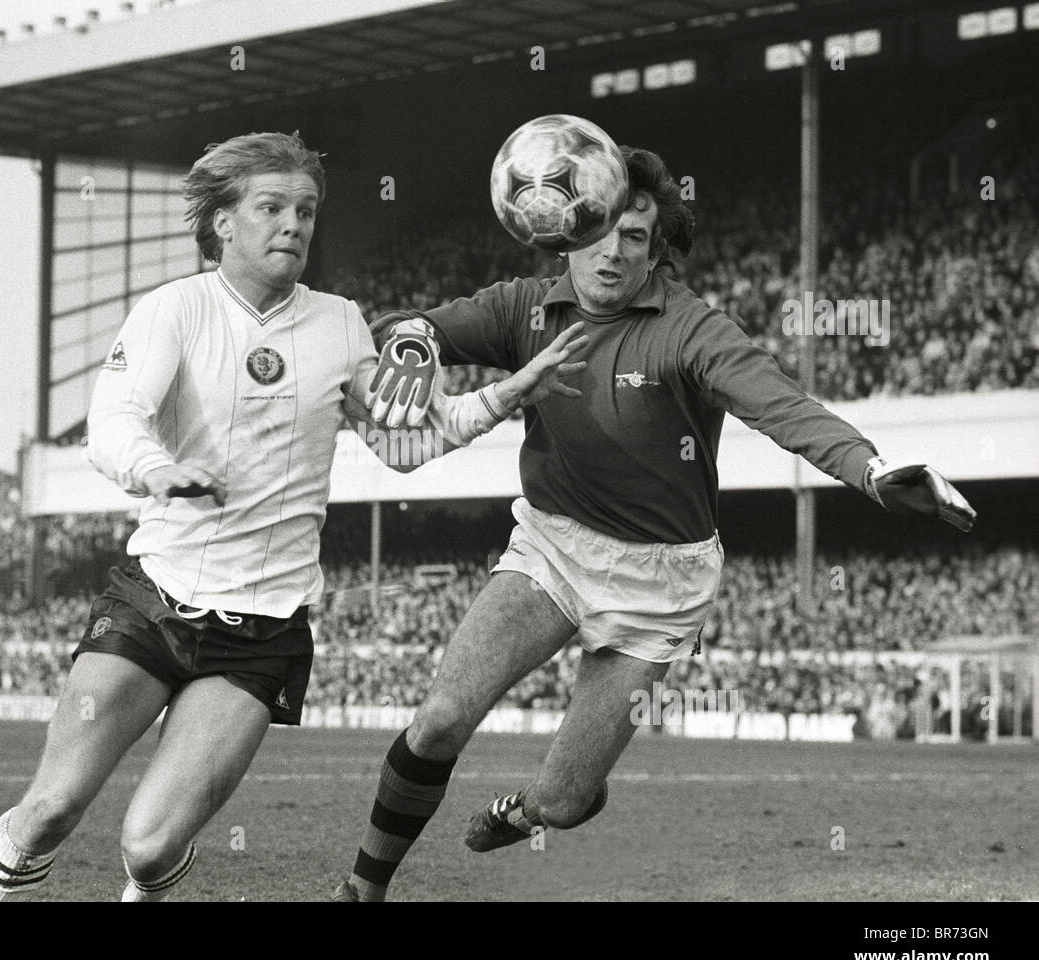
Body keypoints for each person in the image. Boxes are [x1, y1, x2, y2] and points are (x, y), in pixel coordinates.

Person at [336, 145, 975, 901]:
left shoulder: (691, 329)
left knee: (564, 802)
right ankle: (361, 889)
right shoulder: (523, 308)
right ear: (568, 230)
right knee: (440, 718)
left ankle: (541, 804)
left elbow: (780, 403)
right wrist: (411, 343)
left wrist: (868, 469)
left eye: (634, 238)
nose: (613, 253)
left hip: (661, 583)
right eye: (600, 232)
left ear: (656, 247)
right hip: (551, 545)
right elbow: (411, 325)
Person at [0, 131, 584, 902]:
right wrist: (159, 468)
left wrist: (502, 393)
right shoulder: (173, 310)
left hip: (259, 633)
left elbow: (401, 440)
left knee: (151, 848)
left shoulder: (340, 323)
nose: (293, 223)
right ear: (223, 223)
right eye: (271, 207)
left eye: (306, 209)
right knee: (52, 807)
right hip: (152, 603)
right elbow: (115, 420)